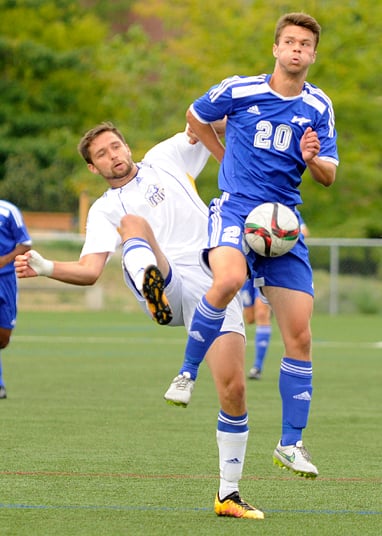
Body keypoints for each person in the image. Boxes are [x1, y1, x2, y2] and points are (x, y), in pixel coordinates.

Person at [15, 121, 264, 520]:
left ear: (127, 146)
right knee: (134, 225)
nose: (113, 156)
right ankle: (154, 291)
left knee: (233, 389)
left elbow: (202, 123)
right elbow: (89, 269)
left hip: (216, 279)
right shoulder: (104, 209)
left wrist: (234, 110)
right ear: (93, 169)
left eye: (115, 147)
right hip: (169, 279)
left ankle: (228, 495)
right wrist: (45, 267)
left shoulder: (165, 157)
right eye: (101, 154)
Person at [178, 12, 338, 479]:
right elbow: (195, 115)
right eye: (289, 42)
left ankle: (291, 443)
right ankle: (186, 372)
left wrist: (311, 160)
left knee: (302, 336)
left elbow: (328, 175)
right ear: (275, 48)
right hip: (235, 210)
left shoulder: (319, 106)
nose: (296, 50)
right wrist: (223, 155)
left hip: (283, 223)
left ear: (312, 54)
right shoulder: (239, 90)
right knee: (228, 278)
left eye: (305, 45)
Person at [243, 218, 309, 380]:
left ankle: (257, 367)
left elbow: (304, 231)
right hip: (249, 266)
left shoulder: (284, 210)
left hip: (270, 265)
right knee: (250, 318)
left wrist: (277, 236)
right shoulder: (250, 205)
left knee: (261, 314)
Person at [0, 200, 32, 399]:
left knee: (3, 339)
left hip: (6, 280)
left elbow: (25, 244)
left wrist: (4, 260)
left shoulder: (8, 210)